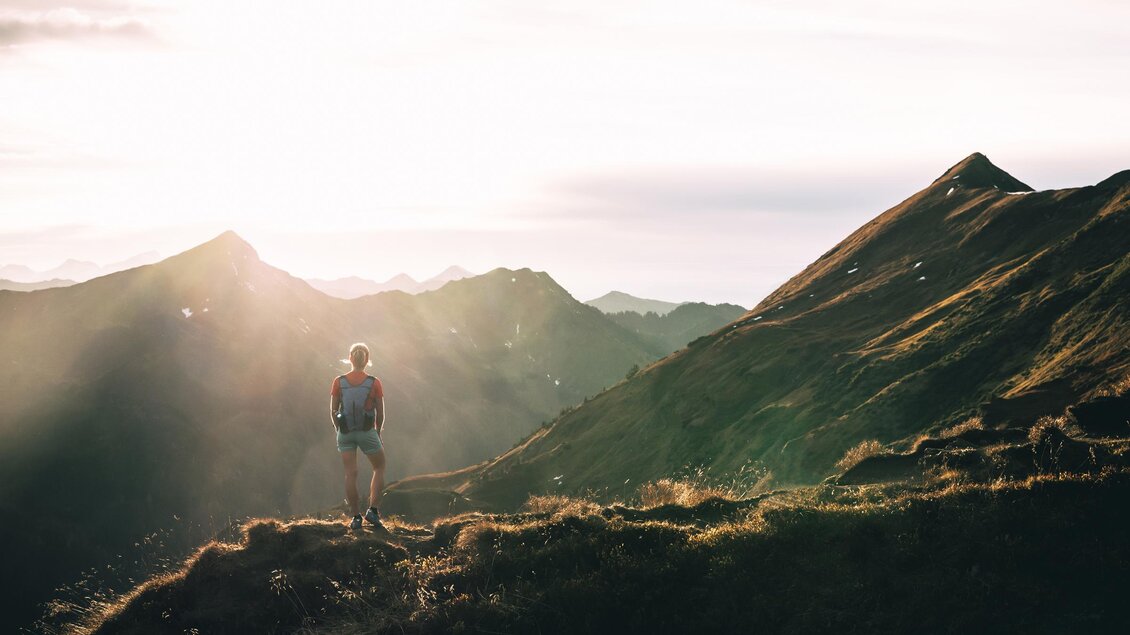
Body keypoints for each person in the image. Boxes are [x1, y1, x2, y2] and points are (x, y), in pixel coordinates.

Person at [330, 342, 386, 531]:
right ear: (367, 359)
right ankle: (373, 511)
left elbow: (333, 410)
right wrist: (377, 433)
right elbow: (380, 414)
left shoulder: (339, 381)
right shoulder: (374, 382)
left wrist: (340, 429)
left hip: (345, 433)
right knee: (379, 467)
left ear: (350, 357)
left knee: (350, 474)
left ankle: (355, 517)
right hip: (367, 432)